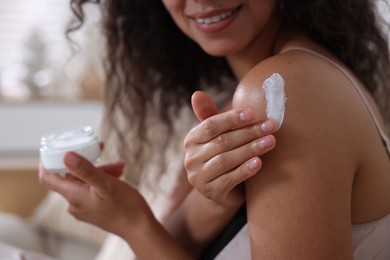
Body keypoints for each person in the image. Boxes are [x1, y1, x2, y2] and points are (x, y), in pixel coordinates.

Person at [39, 0, 390, 259]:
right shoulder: (226, 104)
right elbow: (174, 243)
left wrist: (132, 222)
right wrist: (212, 205)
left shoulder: (286, 90)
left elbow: (148, 236)